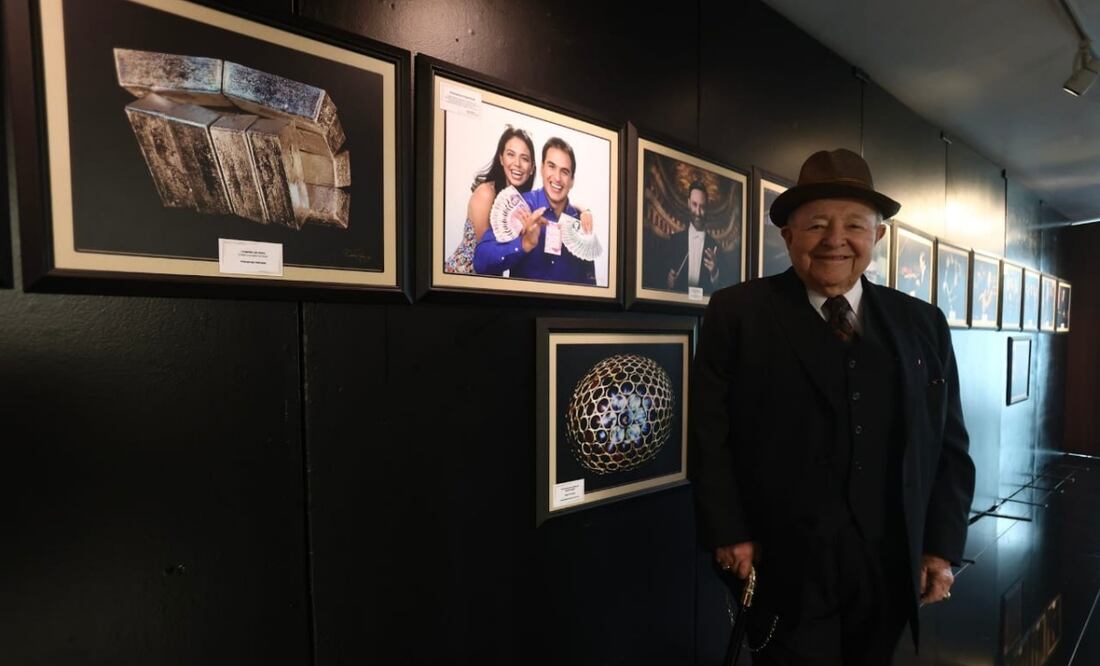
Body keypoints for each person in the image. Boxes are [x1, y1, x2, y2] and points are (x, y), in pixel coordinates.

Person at [690, 148, 975, 665]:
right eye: (817, 225)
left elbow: (948, 443)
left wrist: (940, 546)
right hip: (782, 560)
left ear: (878, 237)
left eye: (854, 226)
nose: (835, 240)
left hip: (886, 561)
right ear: (788, 236)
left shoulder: (922, 324)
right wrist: (729, 532)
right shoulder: (738, 313)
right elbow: (709, 435)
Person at [473, 137, 596, 285]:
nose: (557, 178)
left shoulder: (580, 222)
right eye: (551, 166)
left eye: (564, 171)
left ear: (572, 180)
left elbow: (589, 285)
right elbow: (480, 262)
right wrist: (523, 244)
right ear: (542, 169)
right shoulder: (519, 207)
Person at [444, 126, 537, 274]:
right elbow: (486, 256)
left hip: (490, 281)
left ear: (532, 168)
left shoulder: (524, 202)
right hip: (463, 276)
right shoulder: (486, 193)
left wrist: (585, 210)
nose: (517, 163)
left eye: (524, 158)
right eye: (510, 155)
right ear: (501, 158)